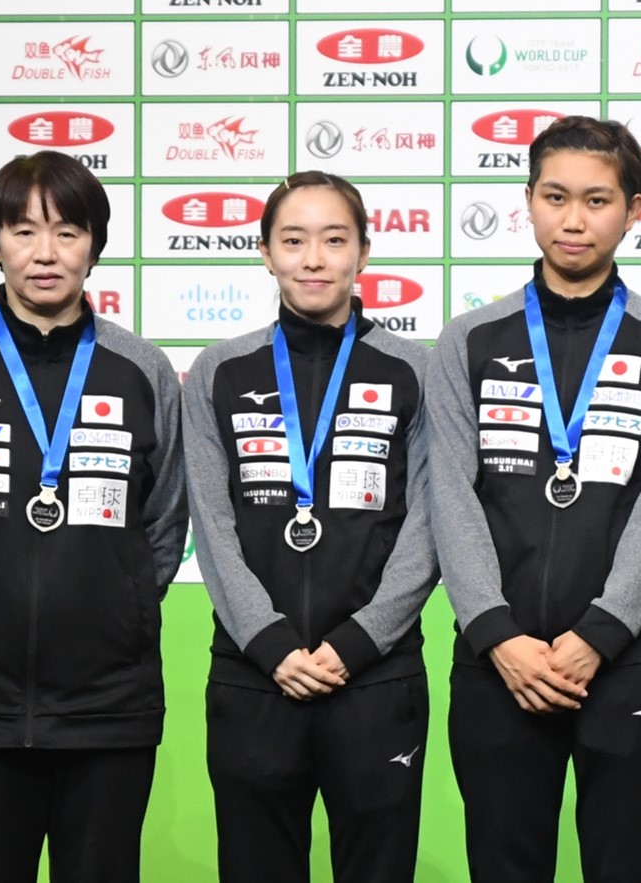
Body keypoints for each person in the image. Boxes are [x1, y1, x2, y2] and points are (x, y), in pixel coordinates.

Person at [0, 150, 188, 882]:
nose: (45, 252)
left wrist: (109, 608)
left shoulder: (142, 369)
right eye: (23, 231)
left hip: (108, 707)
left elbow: (164, 525)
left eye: (66, 230)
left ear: (96, 242)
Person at [425, 115, 641, 882]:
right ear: (527, 200)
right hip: (497, 656)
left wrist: (601, 633)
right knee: (505, 865)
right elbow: (451, 494)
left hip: (629, 657)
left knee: (627, 863)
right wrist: (497, 633)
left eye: (597, 199)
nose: (573, 219)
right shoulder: (468, 340)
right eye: (555, 196)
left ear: (636, 210)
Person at [183, 170, 438, 883]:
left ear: (364, 251)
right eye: (293, 240)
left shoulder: (414, 369)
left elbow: (430, 521)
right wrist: (266, 641)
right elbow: (212, 521)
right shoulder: (218, 372)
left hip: (376, 677)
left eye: (334, 239)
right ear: (266, 252)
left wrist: (358, 641)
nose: (315, 258)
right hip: (253, 677)